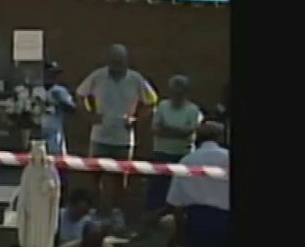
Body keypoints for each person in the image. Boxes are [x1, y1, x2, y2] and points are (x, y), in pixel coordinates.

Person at [75, 44, 157, 235]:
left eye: (120, 62)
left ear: (126, 61)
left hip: (123, 138)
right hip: (99, 136)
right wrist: (89, 115)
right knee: (94, 176)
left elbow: (152, 101)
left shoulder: (136, 79)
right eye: (113, 61)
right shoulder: (98, 76)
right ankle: (93, 213)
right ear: (108, 60)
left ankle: (116, 215)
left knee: (121, 179)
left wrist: (136, 119)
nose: (116, 65)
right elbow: (80, 95)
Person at [166, 121, 230, 247]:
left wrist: (180, 235)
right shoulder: (227, 158)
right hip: (226, 219)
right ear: (220, 138)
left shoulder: (186, 161)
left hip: (197, 222)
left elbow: (176, 203)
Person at [145, 74, 204, 224]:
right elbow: (155, 129)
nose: (176, 96)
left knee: (180, 195)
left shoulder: (193, 110)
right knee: (157, 192)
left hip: (182, 157)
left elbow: (189, 133)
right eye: (174, 92)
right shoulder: (163, 106)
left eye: (180, 93)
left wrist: (167, 129)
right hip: (161, 155)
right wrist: (178, 131)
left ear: (185, 93)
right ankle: (152, 225)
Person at [38, 61, 77, 155]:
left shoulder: (59, 90)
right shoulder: (35, 89)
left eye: (55, 74)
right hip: (36, 132)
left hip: (54, 132)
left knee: (55, 160)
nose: (52, 76)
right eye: (50, 73)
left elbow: (72, 109)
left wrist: (61, 101)